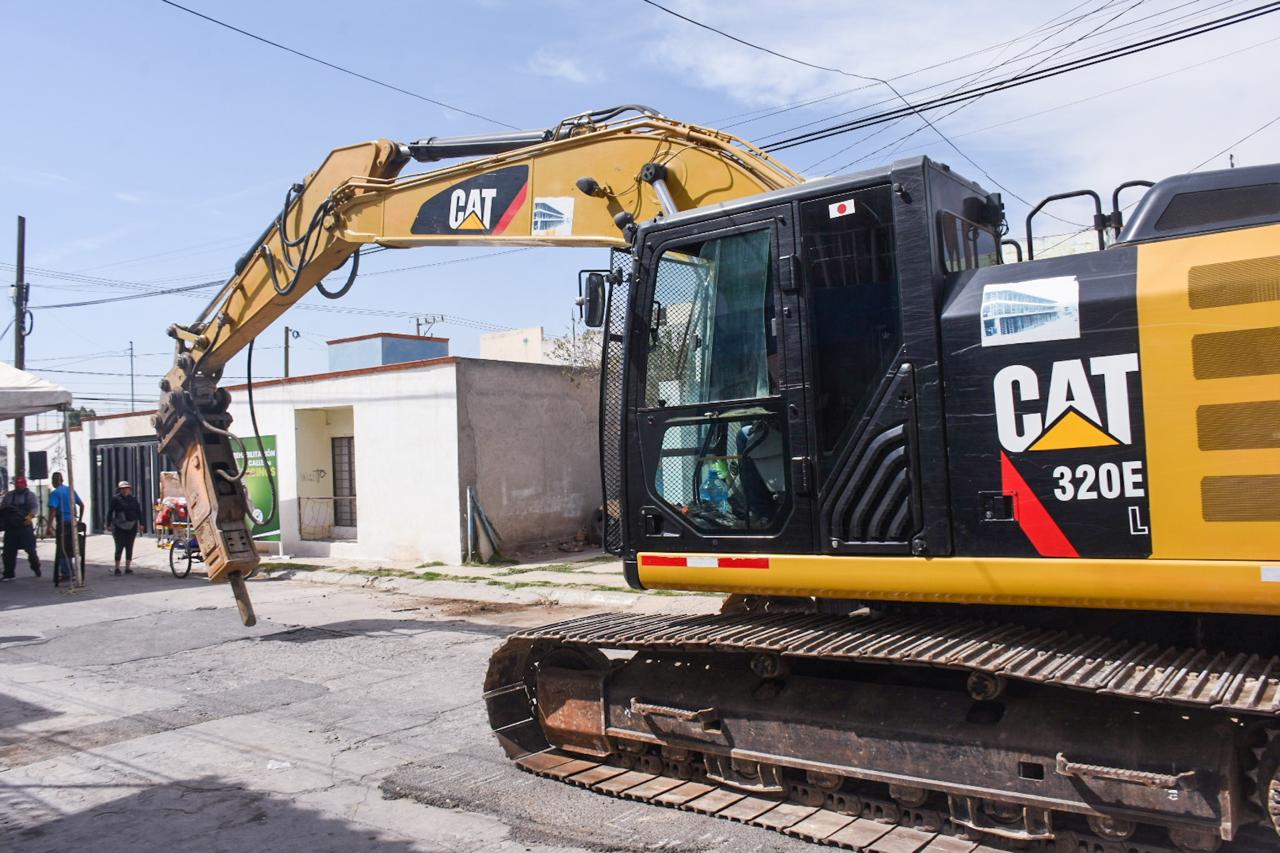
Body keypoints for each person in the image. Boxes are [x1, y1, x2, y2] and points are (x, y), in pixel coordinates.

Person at [0, 476, 41, 580]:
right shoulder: (9, 496)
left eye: (20, 484)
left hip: (25, 527)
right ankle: (9, 573)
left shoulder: (30, 496)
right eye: (17, 484)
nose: (18, 486)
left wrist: (28, 518)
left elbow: (34, 508)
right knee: (8, 552)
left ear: (25, 485)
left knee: (31, 551)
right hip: (11, 528)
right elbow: (2, 508)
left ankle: (36, 568)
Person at [46, 471, 83, 583]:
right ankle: (71, 571)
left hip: (63, 524)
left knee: (62, 547)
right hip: (73, 523)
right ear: (62, 480)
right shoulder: (70, 490)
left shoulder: (55, 493)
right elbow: (81, 505)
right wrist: (80, 520)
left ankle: (66, 573)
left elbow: (52, 510)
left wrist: (49, 526)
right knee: (71, 546)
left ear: (53, 481)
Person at [108, 480, 142, 575]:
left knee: (129, 546)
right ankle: (117, 568)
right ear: (119, 490)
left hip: (132, 525)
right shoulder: (116, 499)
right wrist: (108, 524)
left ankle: (128, 567)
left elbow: (138, 511)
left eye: (126, 488)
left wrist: (141, 523)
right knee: (119, 546)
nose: (125, 490)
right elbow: (110, 512)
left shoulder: (133, 499)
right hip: (119, 526)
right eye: (123, 489)